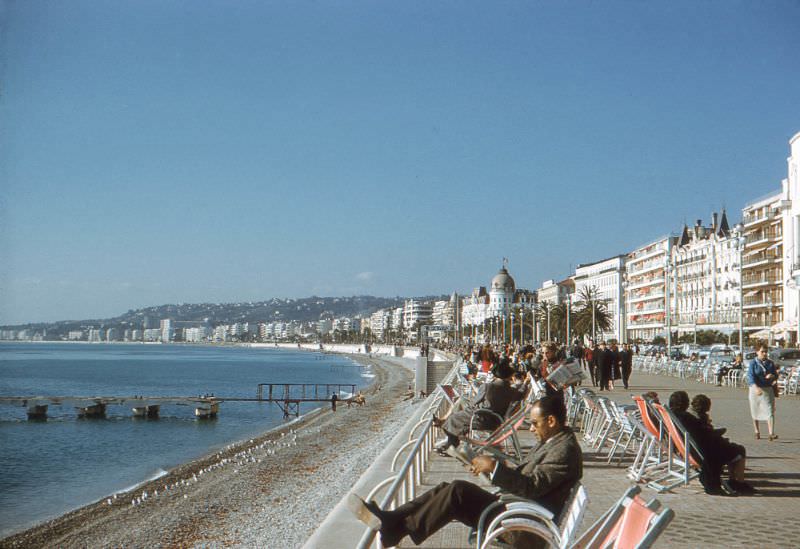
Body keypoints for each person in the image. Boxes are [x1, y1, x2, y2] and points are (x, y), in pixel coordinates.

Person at [347, 394, 583, 548]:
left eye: (534, 423)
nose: (530, 428)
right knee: (445, 488)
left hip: (525, 526)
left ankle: (396, 529)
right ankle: (393, 520)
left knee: (457, 492)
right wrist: (493, 468)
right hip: (519, 512)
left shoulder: (564, 450)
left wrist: (495, 468)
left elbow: (532, 486)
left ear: (551, 421)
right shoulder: (556, 443)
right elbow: (533, 481)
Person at [434, 359, 526, 454]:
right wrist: (524, 383)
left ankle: (451, 446)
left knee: (453, 419)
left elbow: (474, 403)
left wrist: (467, 409)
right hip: (496, 420)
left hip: (482, 419)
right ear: (509, 377)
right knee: (457, 416)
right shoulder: (512, 391)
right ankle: (450, 445)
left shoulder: (487, 386)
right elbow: (522, 392)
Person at [668, 391, 751, 495]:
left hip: (685, 450)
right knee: (739, 449)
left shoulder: (672, 417)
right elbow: (704, 433)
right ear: (684, 403)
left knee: (728, 446)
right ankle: (737, 481)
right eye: (687, 401)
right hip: (700, 454)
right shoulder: (686, 417)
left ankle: (734, 481)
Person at [746, 344, 778, 441]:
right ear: (757, 352)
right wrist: (755, 387)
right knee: (755, 410)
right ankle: (757, 431)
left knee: (770, 410)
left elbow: (775, 375)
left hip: (767, 389)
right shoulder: (753, 363)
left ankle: (771, 433)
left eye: (765, 351)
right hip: (755, 389)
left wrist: (772, 376)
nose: (764, 353)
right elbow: (750, 377)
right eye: (762, 351)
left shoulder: (770, 363)